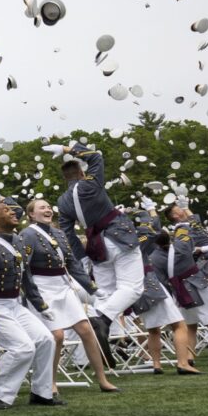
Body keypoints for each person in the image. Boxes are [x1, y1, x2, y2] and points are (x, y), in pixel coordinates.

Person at [47, 141, 145, 365]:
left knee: (106, 294)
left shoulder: (62, 202)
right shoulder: (90, 184)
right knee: (132, 287)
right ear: (82, 173)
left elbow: (68, 233)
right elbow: (96, 157)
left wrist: (82, 259)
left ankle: (97, 340)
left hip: (95, 247)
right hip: (118, 238)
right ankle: (101, 320)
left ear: (66, 179)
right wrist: (67, 149)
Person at [0, 201, 62, 409]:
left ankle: (42, 392)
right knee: (23, 348)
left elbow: (26, 277)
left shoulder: (17, 241)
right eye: (6, 210)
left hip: (15, 304)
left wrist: (40, 305)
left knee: (46, 340)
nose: (13, 212)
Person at [20, 199, 118, 394]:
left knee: (86, 329)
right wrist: (34, 297)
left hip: (63, 286)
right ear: (31, 214)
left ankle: (102, 379)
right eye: (42, 207)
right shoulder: (27, 234)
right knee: (57, 336)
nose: (47, 210)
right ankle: (51, 382)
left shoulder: (58, 233)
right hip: (42, 287)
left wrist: (91, 287)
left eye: (48, 207)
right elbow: (25, 269)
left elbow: (72, 263)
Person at [128, 209, 201, 375]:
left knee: (153, 329)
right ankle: (183, 363)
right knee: (180, 325)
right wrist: (149, 213)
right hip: (151, 285)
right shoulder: (137, 241)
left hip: (135, 288)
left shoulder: (120, 242)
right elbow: (152, 230)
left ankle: (156, 364)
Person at [157, 204, 208, 367]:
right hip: (193, 283)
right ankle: (187, 357)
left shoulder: (182, 229)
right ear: (175, 216)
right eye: (179, 209)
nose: (183, 211)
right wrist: (198, 250)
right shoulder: (182, 229)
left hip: (184, 285)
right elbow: (186, 247)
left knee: (190, 326)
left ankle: (189, 357)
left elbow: (197, 227)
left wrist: (186, 207)